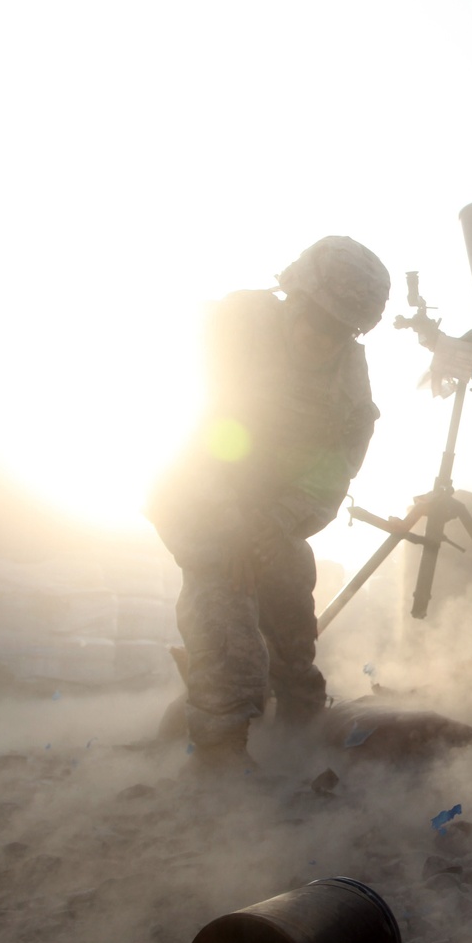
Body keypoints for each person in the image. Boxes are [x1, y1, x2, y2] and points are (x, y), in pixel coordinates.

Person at [148, 236, 390, 767]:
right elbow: (200, 429)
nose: (322, 338)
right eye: (316, 318)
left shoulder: (349, 377)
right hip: (199, 488)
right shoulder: (236, 327)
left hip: (271, 507)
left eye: (340, 330)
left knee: (289, 601)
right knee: (227, 596)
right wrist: (233, 517)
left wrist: (276, 521)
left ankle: (300, 728)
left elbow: (337, 466)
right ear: (294, 298)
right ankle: (218, 749)